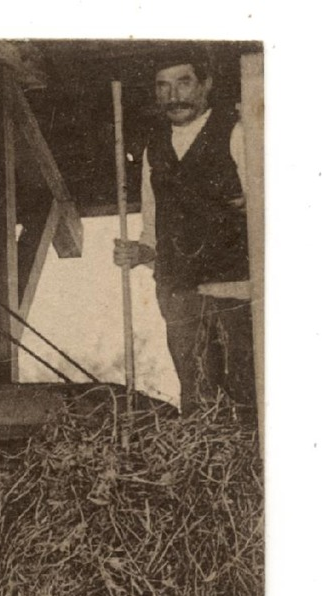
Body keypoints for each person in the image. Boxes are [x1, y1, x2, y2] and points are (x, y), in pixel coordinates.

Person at [112, 48, 254, 413]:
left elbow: (270, 215)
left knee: (247, 391)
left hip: (236, 291)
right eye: (163, 87)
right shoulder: (153, 150)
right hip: (179, 296)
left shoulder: (238, 133)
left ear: (206, 84)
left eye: (183, 83)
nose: (173, 96)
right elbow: (152, 231)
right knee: (198, 398)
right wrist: (139, 253)